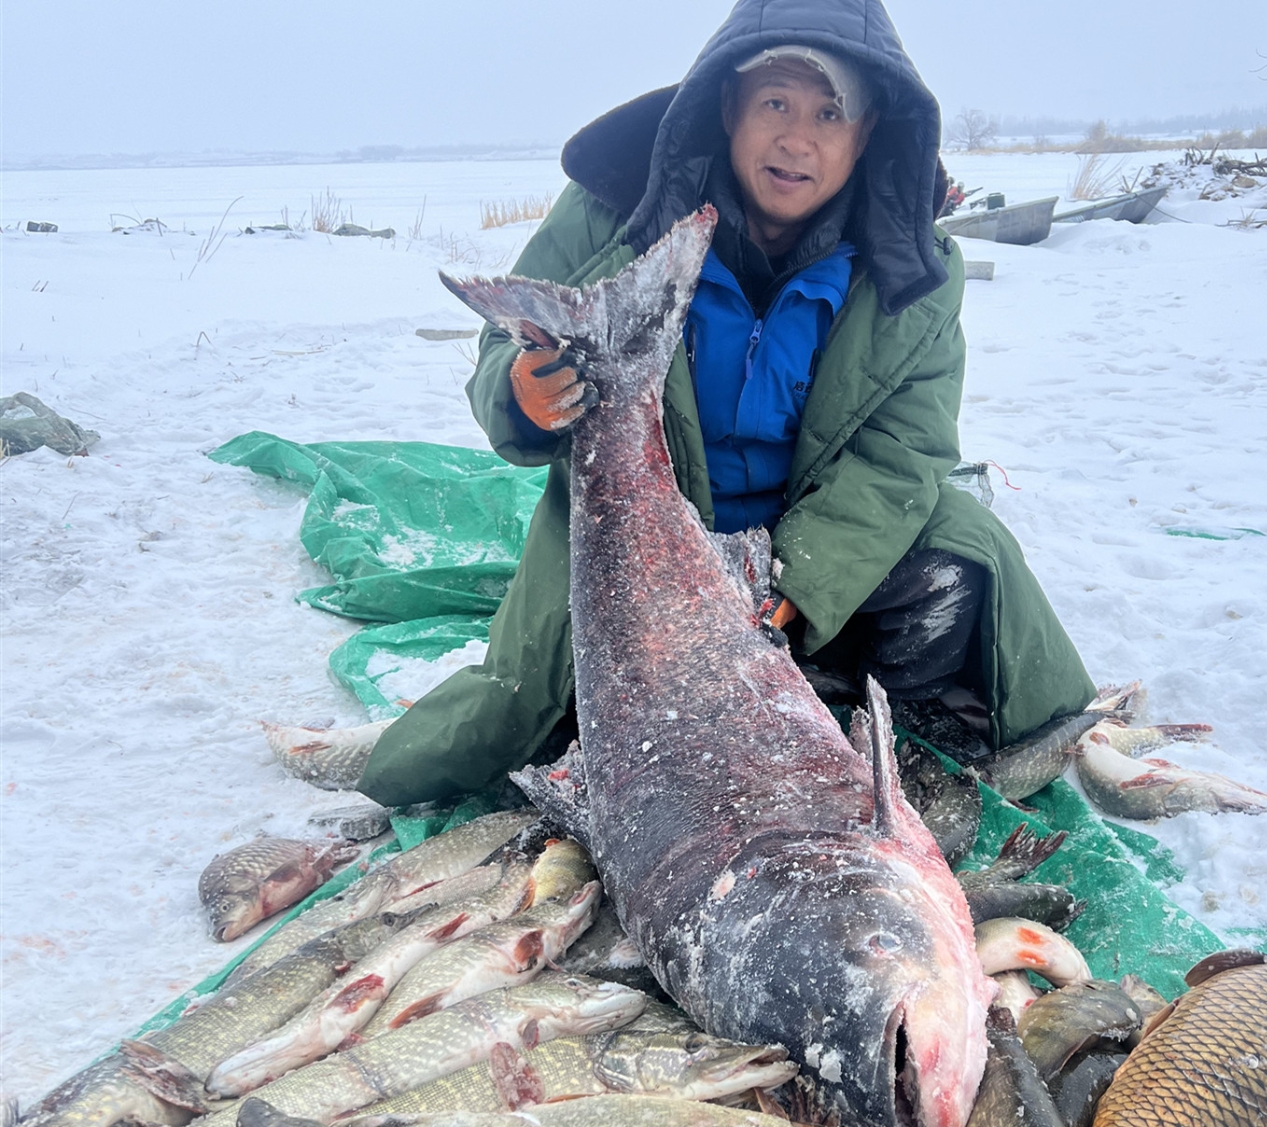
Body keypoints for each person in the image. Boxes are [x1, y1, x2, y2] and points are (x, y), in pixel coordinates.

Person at [358, 0, 1094, 807]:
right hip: (644, 532)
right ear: (727, 105)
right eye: (775, 102)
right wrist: (521, 393)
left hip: (801, 545)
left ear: (868, 133)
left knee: (961, 553)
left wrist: (799, 583)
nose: (797, 140)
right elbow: (505, 349)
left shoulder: (913, 263)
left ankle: (901, 738)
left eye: (829, 114)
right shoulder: (614, 212)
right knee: (536, 729)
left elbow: (904, 451)